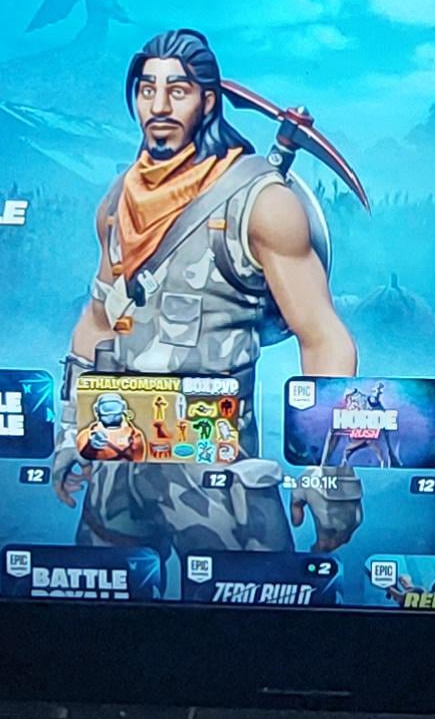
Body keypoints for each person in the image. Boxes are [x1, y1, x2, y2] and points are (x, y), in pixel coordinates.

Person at [60, 29, 357, 558]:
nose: (159, 106)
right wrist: (70, 432)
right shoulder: (117, 201)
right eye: (147, 90)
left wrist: (329, 471)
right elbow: (98, 322)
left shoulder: (260, 202)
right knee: (97, 603)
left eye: (177, 90)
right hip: (117, 456)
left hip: (215, 465)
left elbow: (323, 338)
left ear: (209, 101)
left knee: (252, 605)